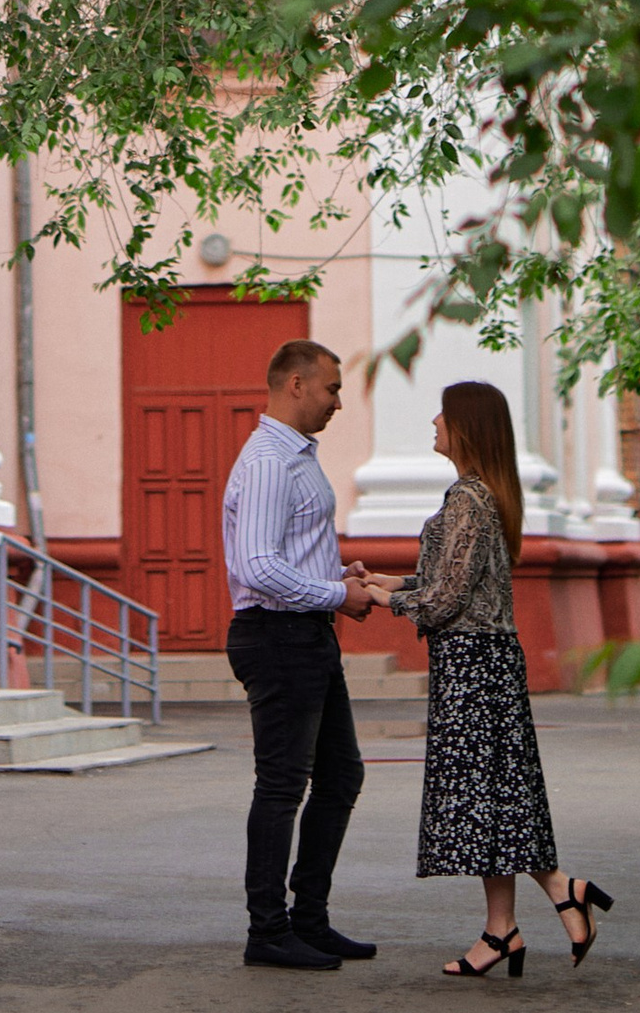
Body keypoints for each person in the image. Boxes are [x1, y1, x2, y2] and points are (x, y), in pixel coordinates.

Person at [355, 379, 610, 980]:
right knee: (488, 799)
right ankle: (504, 929)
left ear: (467, 425)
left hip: (475, 663)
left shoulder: (471, 498)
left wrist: (377, 601)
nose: (434, 421)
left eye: (444, 413)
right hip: (480, 659)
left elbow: (445, 599)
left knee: (484, 798)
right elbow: (446, 582)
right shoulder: (475, 494)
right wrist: (385, 584)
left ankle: (559, 890)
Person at [221, 337, 378, 970]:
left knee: (340, 776)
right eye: (332, 388)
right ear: (295, 385)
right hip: (278, 635)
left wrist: (337, 573)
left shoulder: (297, 457)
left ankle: (308, 920)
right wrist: (336, 593)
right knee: (283, 785)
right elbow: (257, 566)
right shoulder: (268, 461)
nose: (337, 402)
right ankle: (268, 930)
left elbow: (282, 552)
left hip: (305, 631)